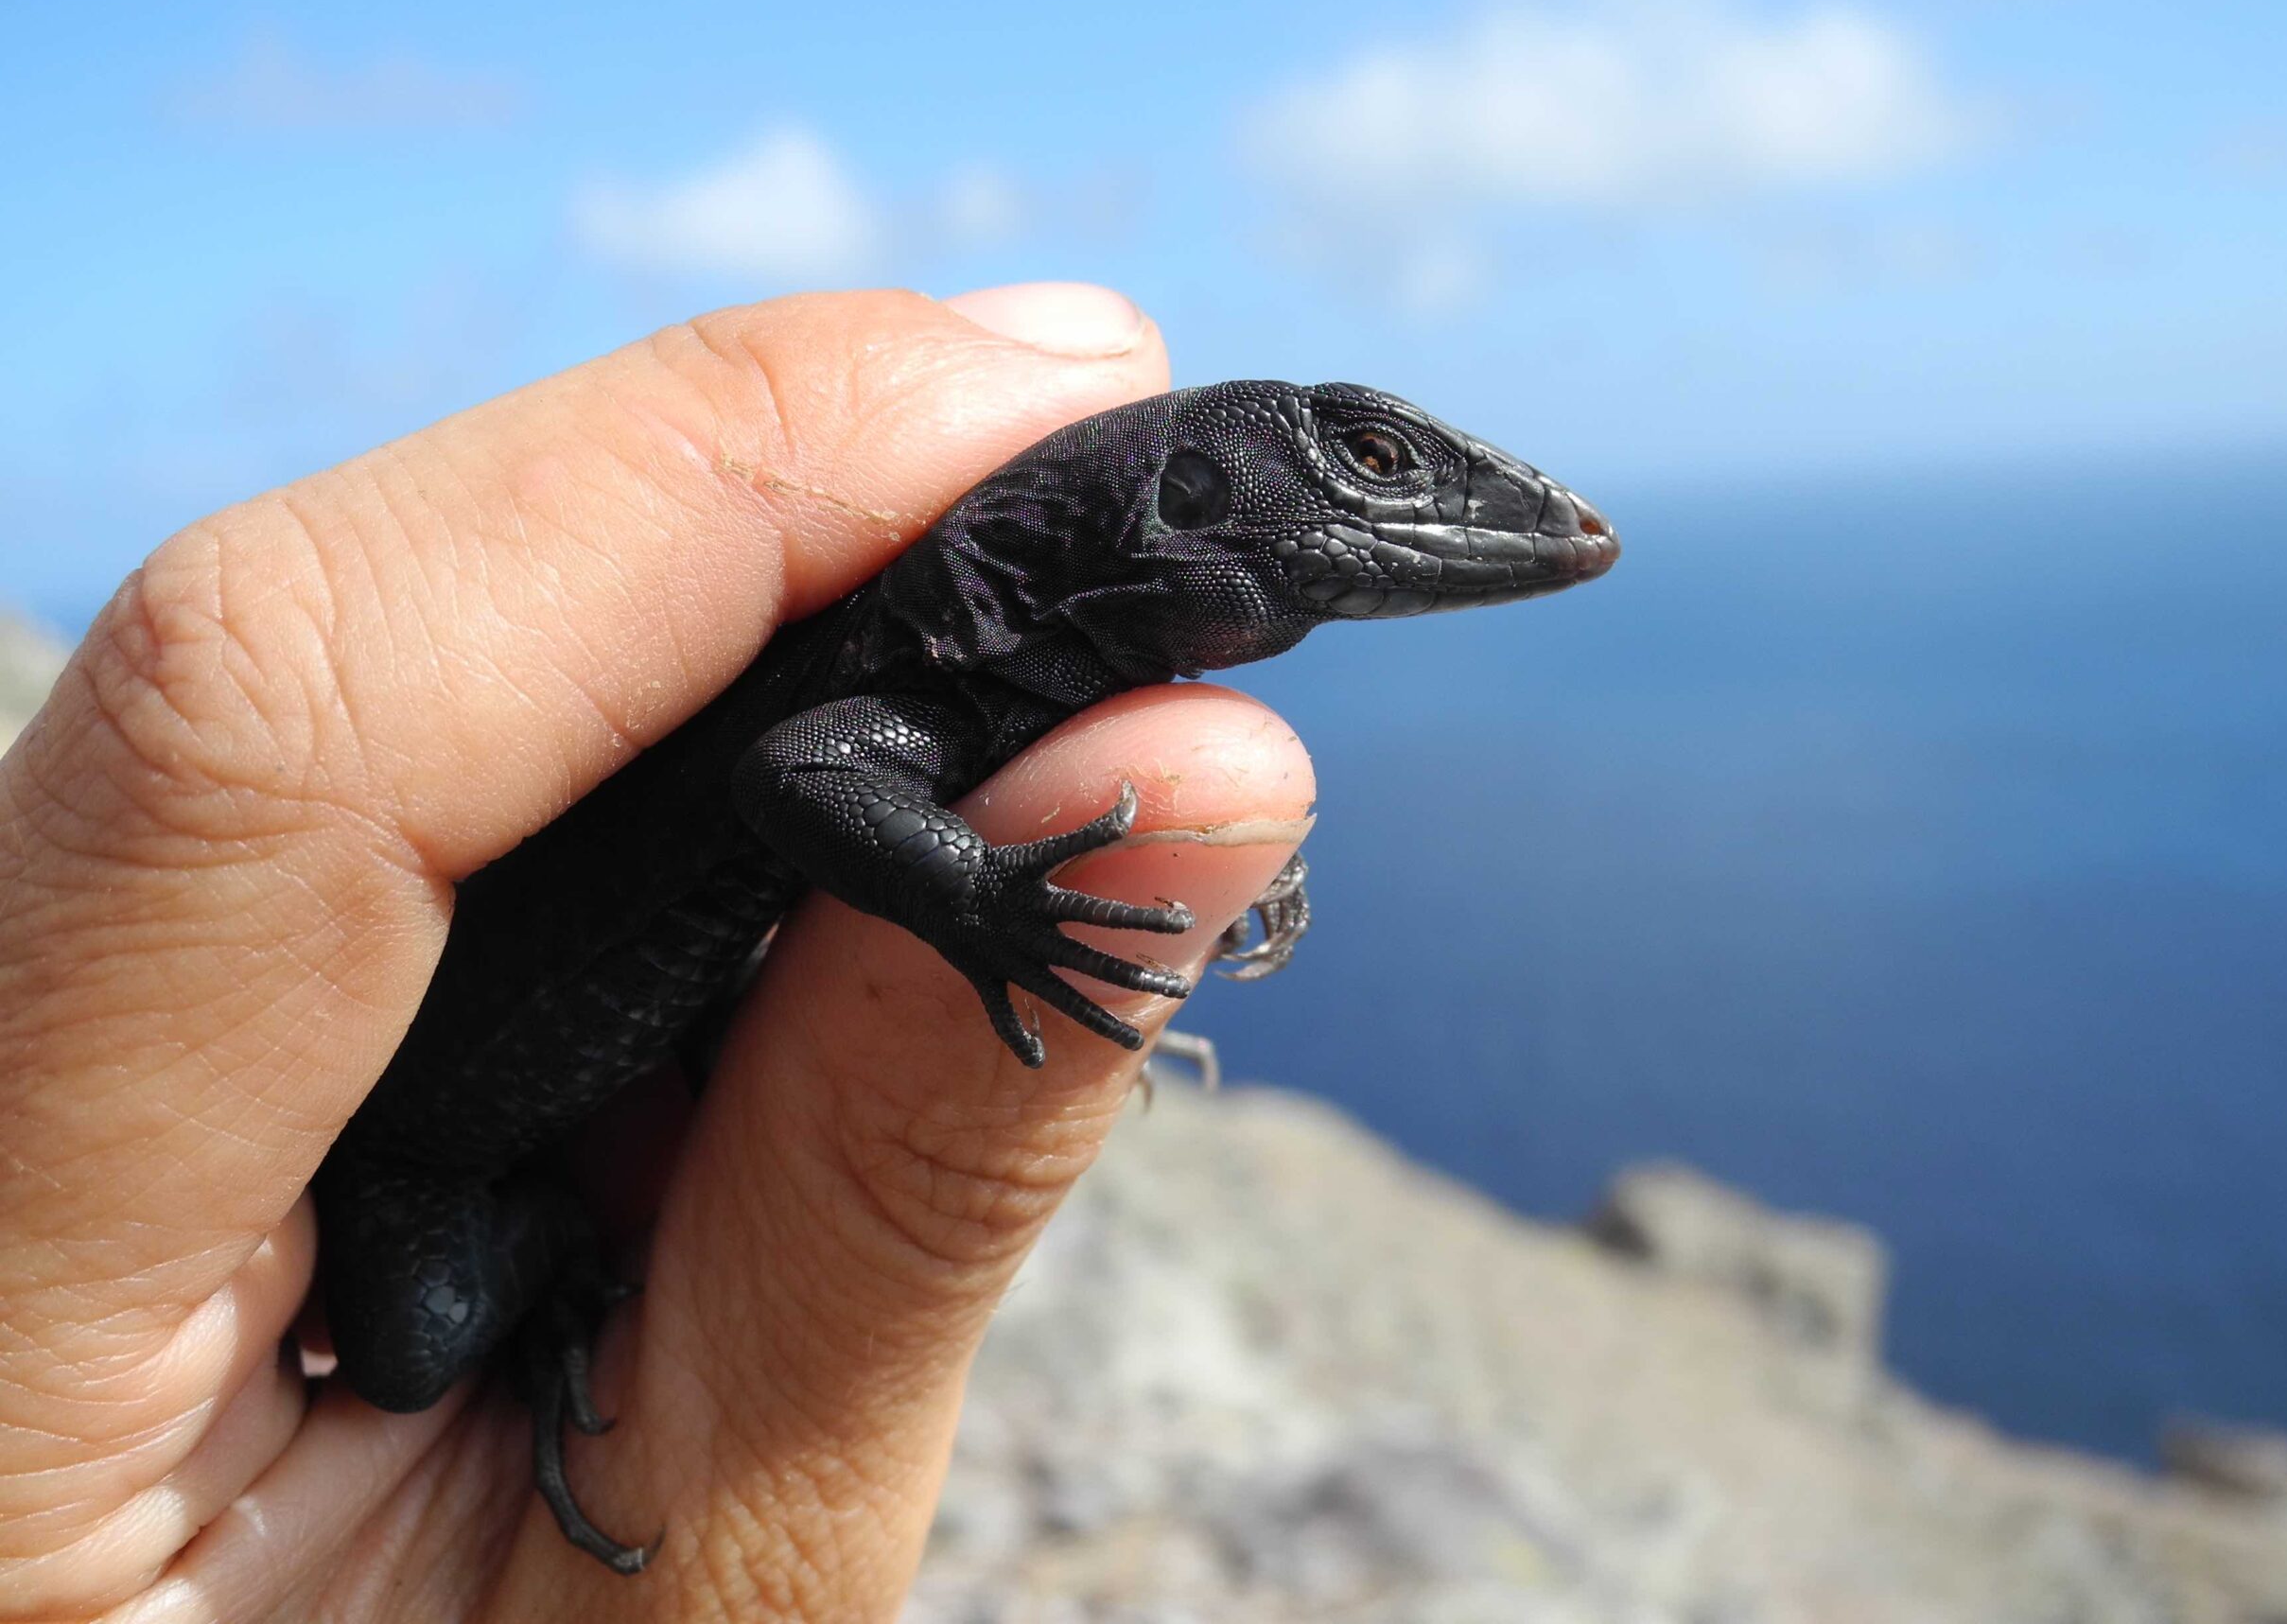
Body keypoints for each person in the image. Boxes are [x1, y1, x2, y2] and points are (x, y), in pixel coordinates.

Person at [0, 284, 1315, 1621]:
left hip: (625, 1027)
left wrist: (1024, 886)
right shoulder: (923, 648)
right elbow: (808, 775)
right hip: (419, 1149)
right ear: (1194, 489)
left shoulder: (975, 647)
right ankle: (565, 1247)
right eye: (1367, 461)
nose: (1424, 503)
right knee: (409, 1355)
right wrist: (990, 902)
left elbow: (866, 770)